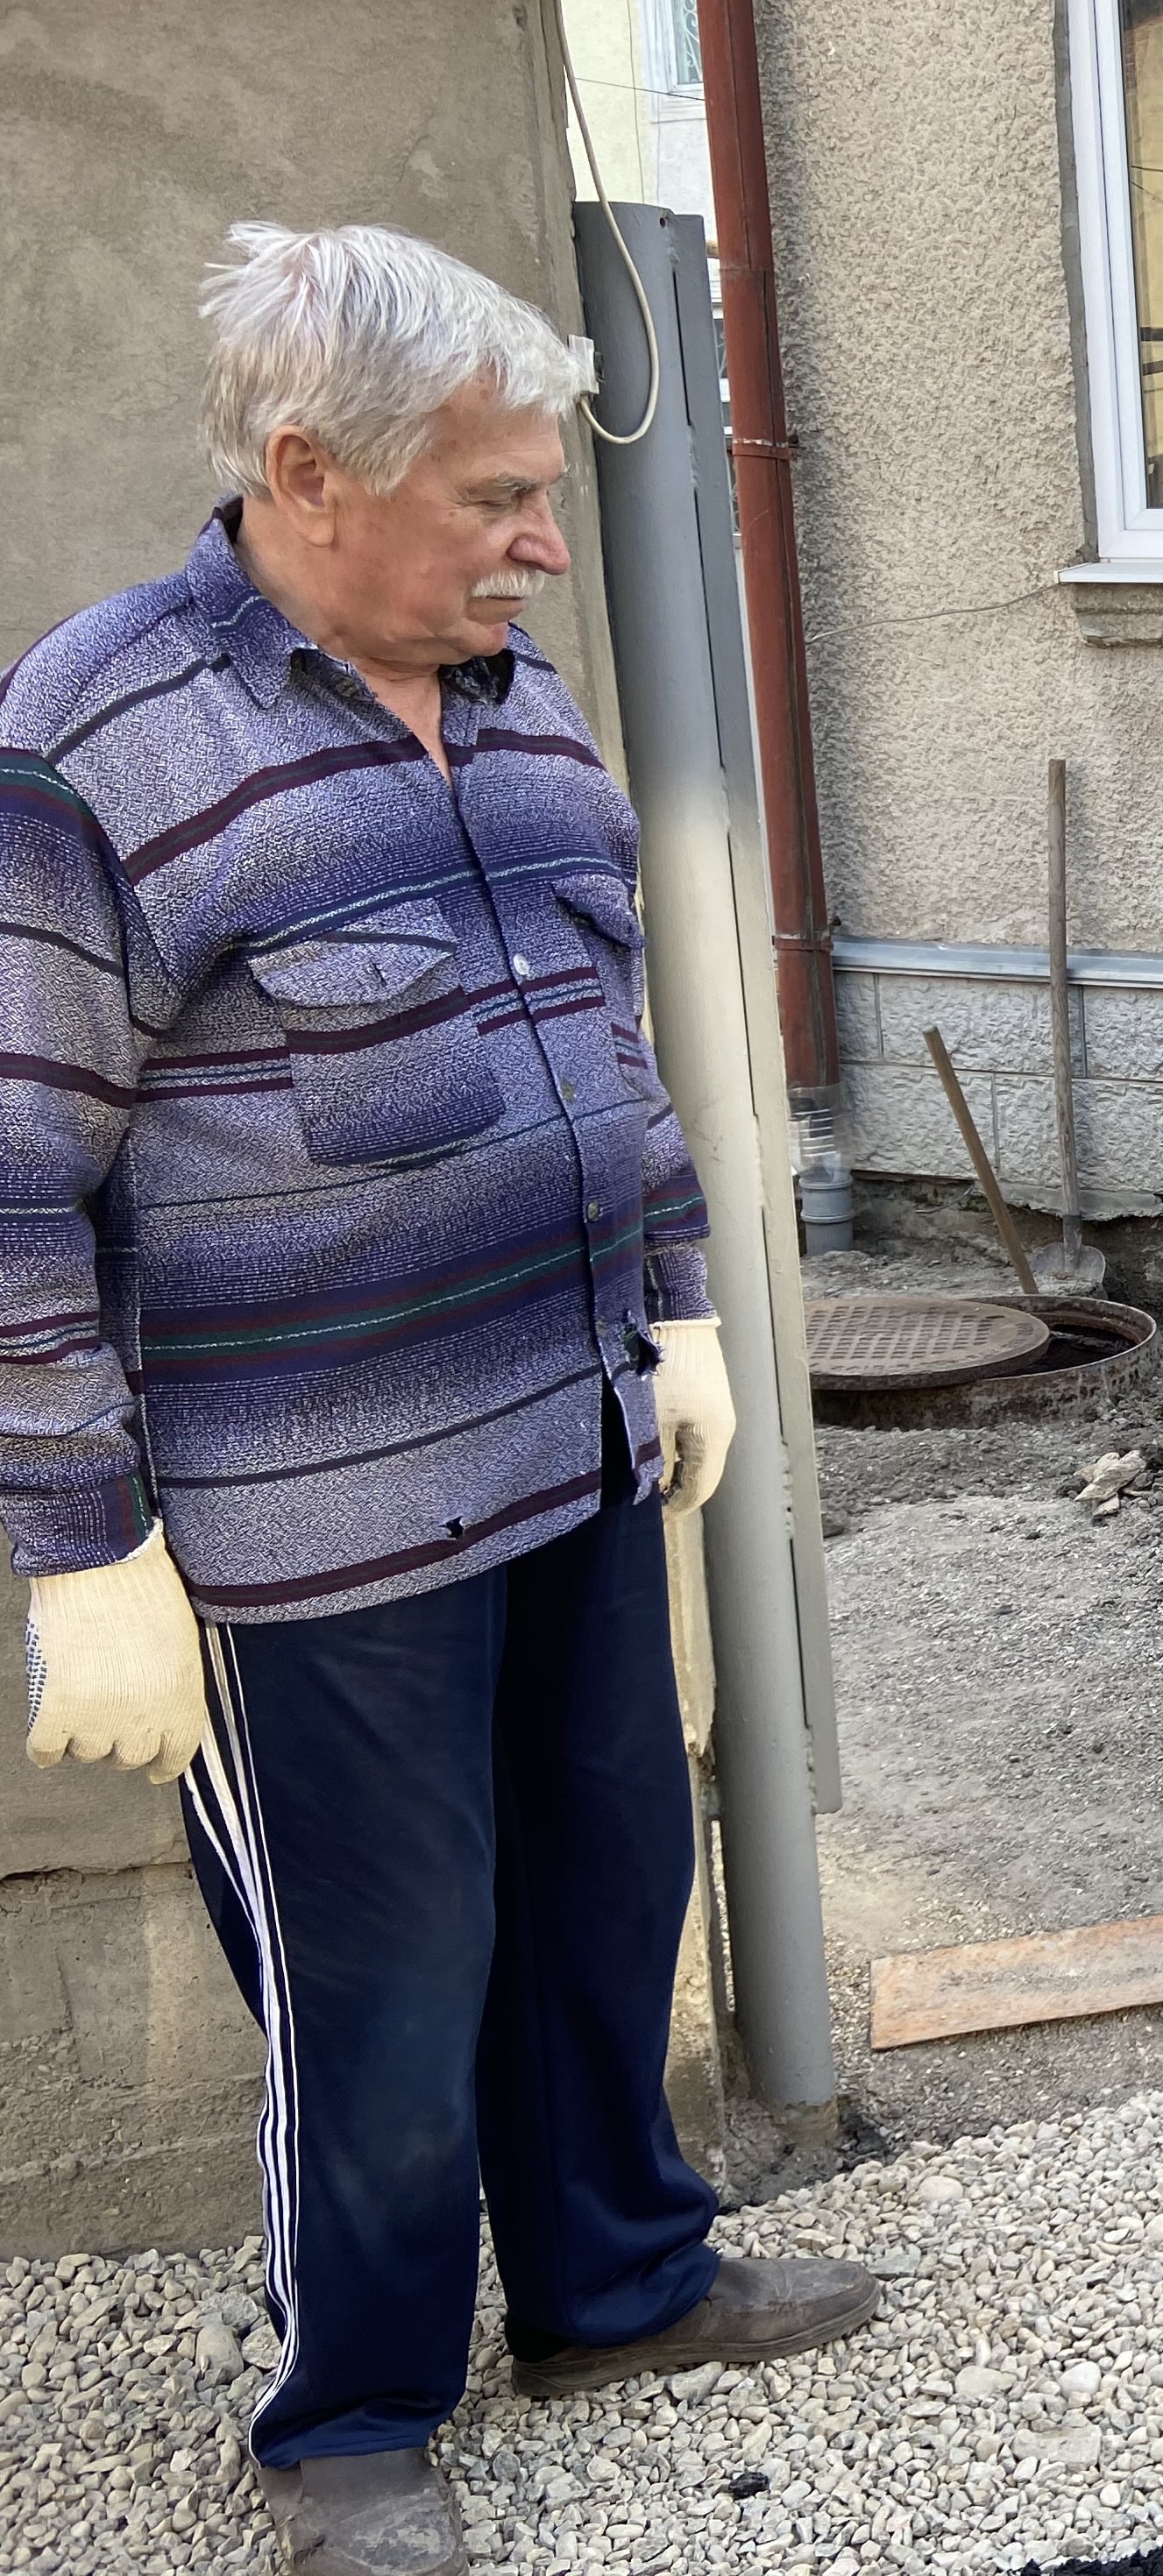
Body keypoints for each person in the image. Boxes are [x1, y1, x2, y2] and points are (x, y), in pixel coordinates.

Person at [0, 223, 876, 2576]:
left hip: (567, 1446)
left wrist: (677, 1303)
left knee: (605, 1886)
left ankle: (617, 2285)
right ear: (310, 472)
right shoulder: (96, 740)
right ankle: (354, 2418)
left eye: (540, 494)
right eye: (495, 495)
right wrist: (81, 1547)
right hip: (306, 1527)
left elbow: (605, 1041)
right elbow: (11, 1178)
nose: (540, 542)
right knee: (382, 1979)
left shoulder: (521, 704)